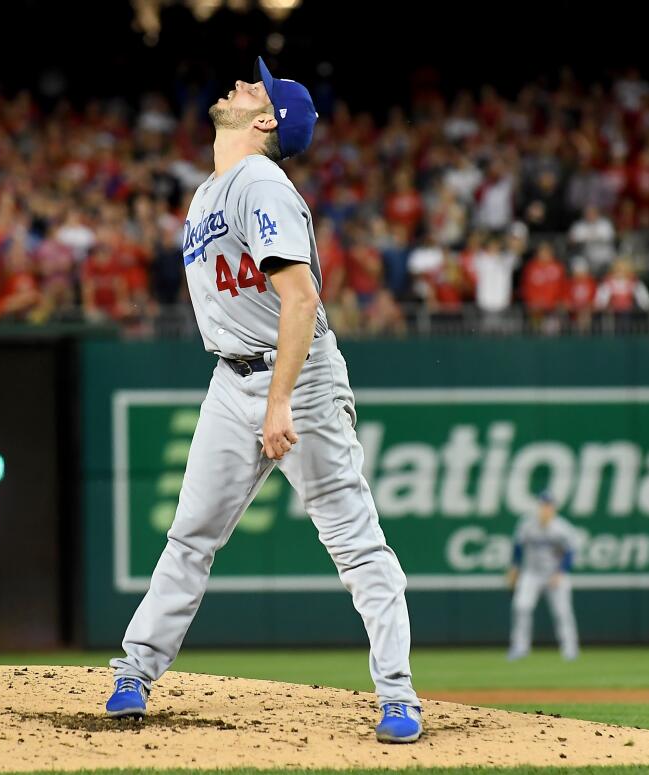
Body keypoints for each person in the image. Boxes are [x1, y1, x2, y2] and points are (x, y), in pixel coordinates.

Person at [105, 58, 422, 744]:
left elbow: (301, 297)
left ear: (267, 118)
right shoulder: (207, 193)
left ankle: (399, 695)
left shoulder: (260, 182)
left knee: (356, 542)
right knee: (190, 535)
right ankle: (133, 672)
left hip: (297, 378)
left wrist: (279, 401)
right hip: (233, 377)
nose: (243, 84)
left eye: (258, 87)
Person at [507, 491, 580, 661]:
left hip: (554, 574)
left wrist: (561, 572)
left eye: (549, 506)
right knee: (521, 607)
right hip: (531, 573)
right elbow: (518, 547)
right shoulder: (526, 525)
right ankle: (519, 648)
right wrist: (514, 568)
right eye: (543, 505)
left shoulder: (562, 528)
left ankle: (570, 649)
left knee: (562, 612)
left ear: (554, 508)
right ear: (539, 507)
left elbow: (571, 552)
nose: (546, 509)